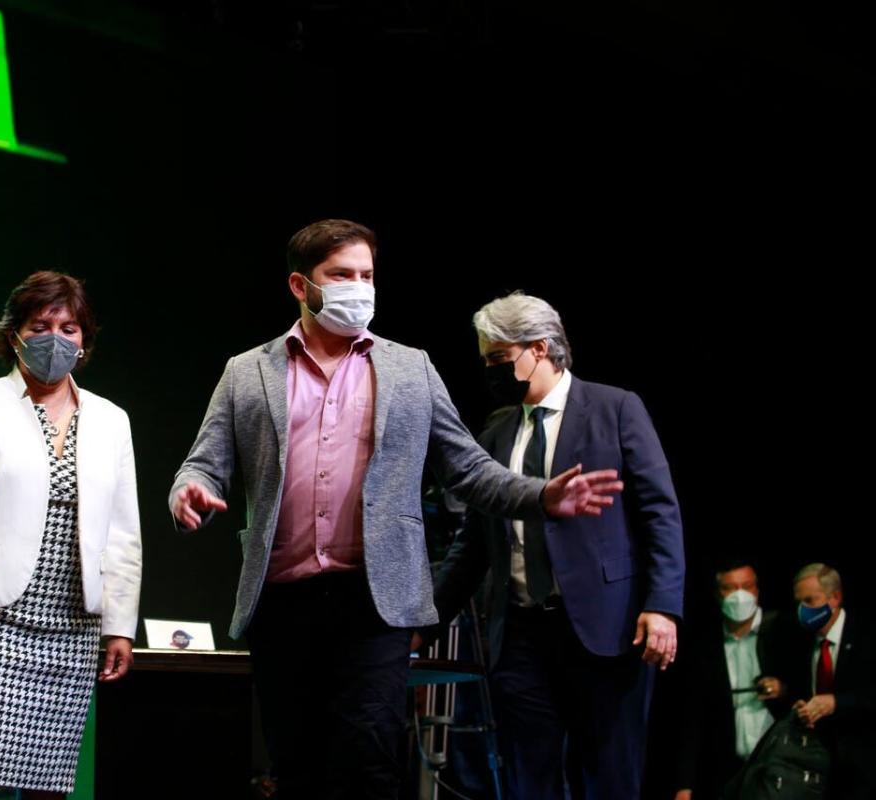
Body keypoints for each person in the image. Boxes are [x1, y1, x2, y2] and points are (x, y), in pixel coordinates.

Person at [169, 220, 621, 799]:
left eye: (367, 275)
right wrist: (189, 491)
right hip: (283, 600)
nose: (359, 287)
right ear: (300, 286)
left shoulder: (410, 367)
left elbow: (468, 468)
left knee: (370, 762)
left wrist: (540, 495)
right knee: (295, 764)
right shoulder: (247, 370)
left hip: (374, 601)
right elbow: (203, 463)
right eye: (341, 275)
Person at [429, 291, 685, 799]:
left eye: (499, 357)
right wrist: (425, 622)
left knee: (608, 779)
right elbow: (474, 543)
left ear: (540, 348)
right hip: (521, 637)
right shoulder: (497, 431)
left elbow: (660, 513)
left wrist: (662, 606)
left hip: (605, 629)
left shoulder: (615, 408)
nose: (491, 371)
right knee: (529, 782)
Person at [0, 271, 142, 800]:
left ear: (84, 340)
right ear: (13, 334)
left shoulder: (111, 420)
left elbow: (123, 533)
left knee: (48, 785)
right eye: (40, 327)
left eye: (69, 328)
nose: (55, 339)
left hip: (72, 625)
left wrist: (120, 625)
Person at [674, 558, 792, 799]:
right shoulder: (704, 646)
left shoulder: (783, 631)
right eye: (730, 588)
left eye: (746, 586)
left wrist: (784, 689)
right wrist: (684, 785)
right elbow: (691, 718)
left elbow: (809, 687)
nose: (740, 596)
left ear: (757, 590)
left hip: (779, 764)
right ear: (717, 594)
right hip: (726, 770)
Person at [782, 563, 876, 800]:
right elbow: (800, 690)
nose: (802, 610)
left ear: (835, 598)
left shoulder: (872, 636)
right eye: (799, 602)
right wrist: (800, 706)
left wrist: (837, 703)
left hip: (867, 769)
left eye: (810, 600)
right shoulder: (799, 642)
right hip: (817, 768)